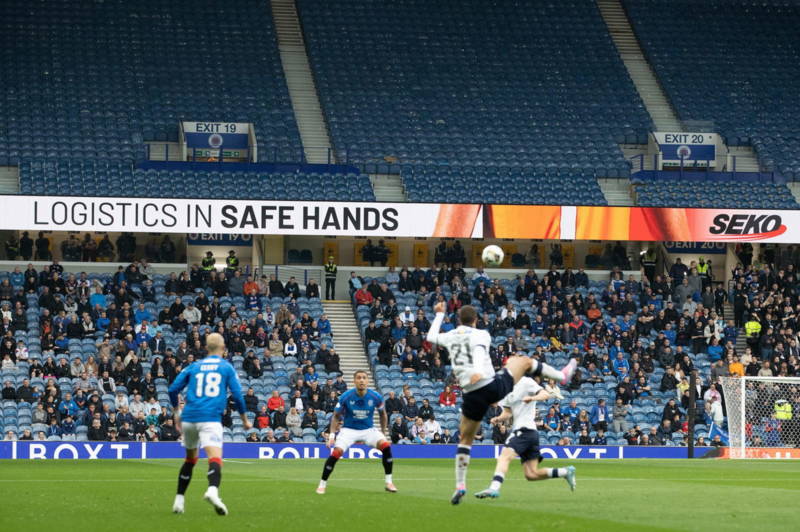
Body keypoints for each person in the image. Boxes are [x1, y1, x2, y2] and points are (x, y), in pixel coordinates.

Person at [426, 302, 577, 505]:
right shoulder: (482, 334)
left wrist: (439, 314)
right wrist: (477, 371)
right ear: (475, 320)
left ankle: (460, 485)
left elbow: (431, 337)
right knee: (523, 361)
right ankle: (561, 376)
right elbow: (478, 351)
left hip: (471, 395)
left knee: (465, 440)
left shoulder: (450, 335)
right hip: (489, 386)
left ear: (458, 320)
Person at [168, 333, 251, 516]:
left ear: (206, 348)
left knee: (190, 459)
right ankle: (212, 491)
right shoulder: (226, 367)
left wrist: (176, 413)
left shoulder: (194, 366)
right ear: (223, 348)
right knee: (215, 458)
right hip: (210, 418)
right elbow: (237, 396)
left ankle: (179, 500)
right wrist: (245, 419)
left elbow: (173, 389)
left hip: (189, 418)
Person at [474, 376, 575, 499]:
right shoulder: (507, 390)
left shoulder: (526, 382)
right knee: (531, 474)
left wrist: (532, 398)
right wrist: (498, 418)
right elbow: (507, 413)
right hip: (530, 433)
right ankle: (565, 472)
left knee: (504, 456)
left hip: (524, 430)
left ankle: (494, 488)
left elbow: (545, 394)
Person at [316, 370, 396, 494]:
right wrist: (331, 436)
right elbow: (336, 416)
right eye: (358, 378)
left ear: (368, 381)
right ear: (354, 381)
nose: (361, 380)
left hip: (368, 430)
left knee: (386, 446)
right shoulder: (346, 396)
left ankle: (389, 482)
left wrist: (383, 433)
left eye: (364, 377)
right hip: (349, 430)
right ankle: (322, 484)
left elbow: (383, 415)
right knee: (336, 453)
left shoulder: (376, 396)